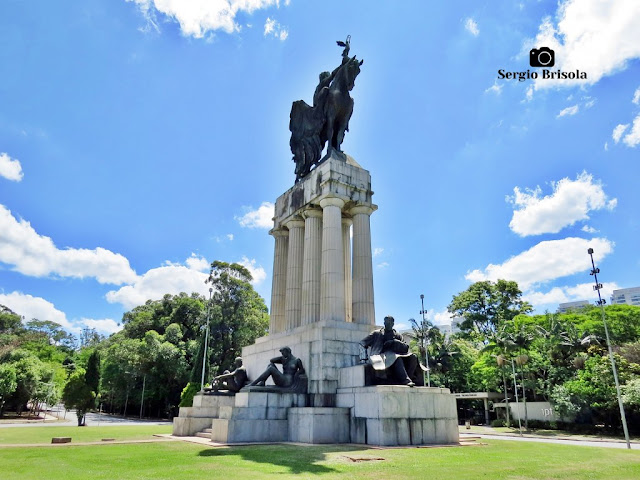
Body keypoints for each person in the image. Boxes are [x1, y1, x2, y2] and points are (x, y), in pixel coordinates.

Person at [360, 316, 422, 386]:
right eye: (386, 322)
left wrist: (396, 342)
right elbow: (362, 343)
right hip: (380, 356)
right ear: (384, 323)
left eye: (390, 322)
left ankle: (408, 378)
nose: (388, 324)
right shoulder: (376, 333)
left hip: (396, 354)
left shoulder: (397, 335)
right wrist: (363, 358)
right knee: (396, 357)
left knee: (413, 357)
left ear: (393, 324)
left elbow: (405, 348)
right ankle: (405, 380)